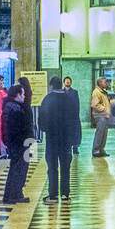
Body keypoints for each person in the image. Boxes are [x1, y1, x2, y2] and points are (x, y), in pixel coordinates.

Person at [39, 75, 81, 204]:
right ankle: (65, 194)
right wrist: (75, 138)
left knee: (52, 166)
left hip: (52, 139)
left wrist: (46, 129)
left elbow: (42, 121)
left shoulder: (47, 99)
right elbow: (75, 119)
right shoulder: (69, 99)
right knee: (65, 167)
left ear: (51, 86)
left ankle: (53, 195)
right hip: (66, 139)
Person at [1, 84, 32, 205]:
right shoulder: (15, 109)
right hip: (19, 144)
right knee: (18, 168)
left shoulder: (10, 106)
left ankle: (14, 194)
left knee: (17, 168)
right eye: (23, 94)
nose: (24, 96)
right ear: (17, 95)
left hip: (16, 143)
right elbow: (17, 129)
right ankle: (14, 194)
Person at [90, 77, 112, 157]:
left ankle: (101, 150)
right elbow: (94, 105)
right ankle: (96, 150)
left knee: (104, 134)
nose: (106, 83)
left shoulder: (103, 92)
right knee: (99, 134)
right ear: (100, 83)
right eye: (104, 82)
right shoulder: (97, 92)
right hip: (100, 116)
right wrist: (104, 109)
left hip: (104, 116)